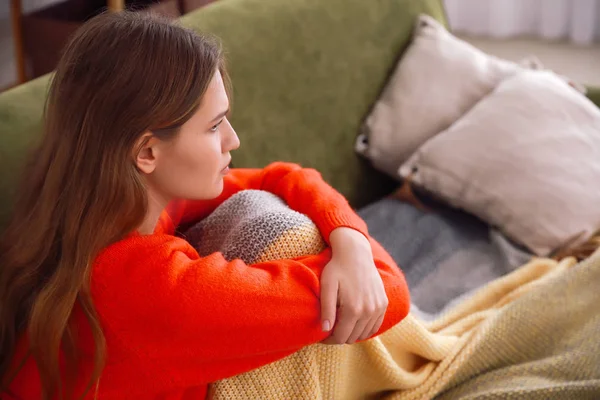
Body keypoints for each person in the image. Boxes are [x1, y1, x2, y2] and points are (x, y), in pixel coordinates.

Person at [0, 11, 410, 400]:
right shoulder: (158, 292)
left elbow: (283, 175)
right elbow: (387, 293)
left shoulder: (88, 208)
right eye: (214, 126)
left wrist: (349, 240)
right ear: (146, 152)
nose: (233, 140)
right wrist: (356, 258)